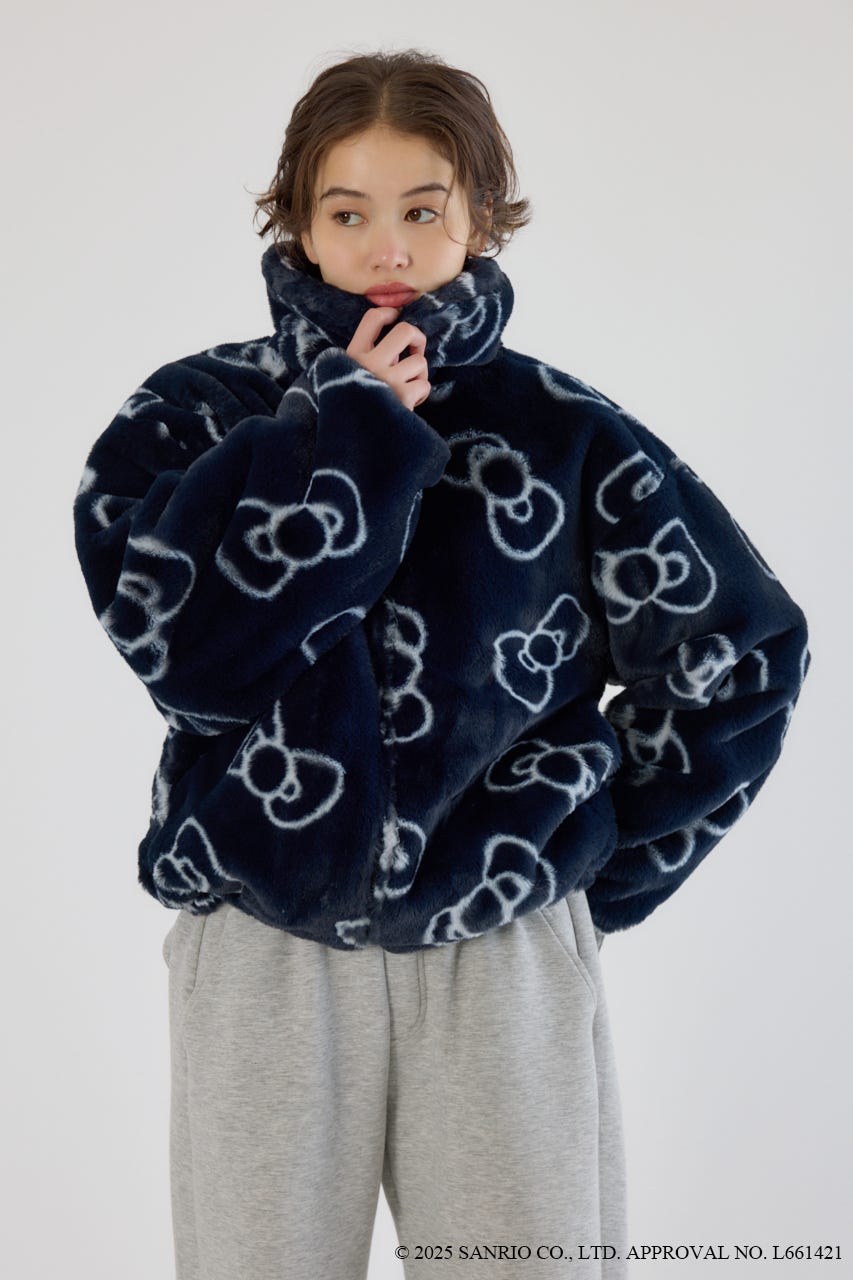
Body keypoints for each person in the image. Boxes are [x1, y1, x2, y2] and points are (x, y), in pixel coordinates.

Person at [71, 48, 811, 1280]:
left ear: (479, 214)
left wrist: (578, 865)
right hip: (266, 949)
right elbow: (186, 658)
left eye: (422, 210)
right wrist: (349, 436)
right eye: (347, 213)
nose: (388, 249)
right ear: (298, 221)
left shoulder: (566, 432)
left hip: (499, 955)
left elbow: (739, 653)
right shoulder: (192, 416)